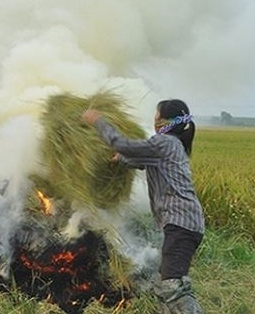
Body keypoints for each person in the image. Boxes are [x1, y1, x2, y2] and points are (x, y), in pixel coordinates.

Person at [82, 99, 205, 314]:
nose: (154, 119)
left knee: (172, 287)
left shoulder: (165, 142)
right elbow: (141, 160)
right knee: (162, 283)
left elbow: (122, 144)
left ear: (164, 120)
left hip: (181, 224)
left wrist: (98, 121)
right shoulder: (171, 144)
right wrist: (121, 159)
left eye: (156, 116)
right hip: (181, 224)